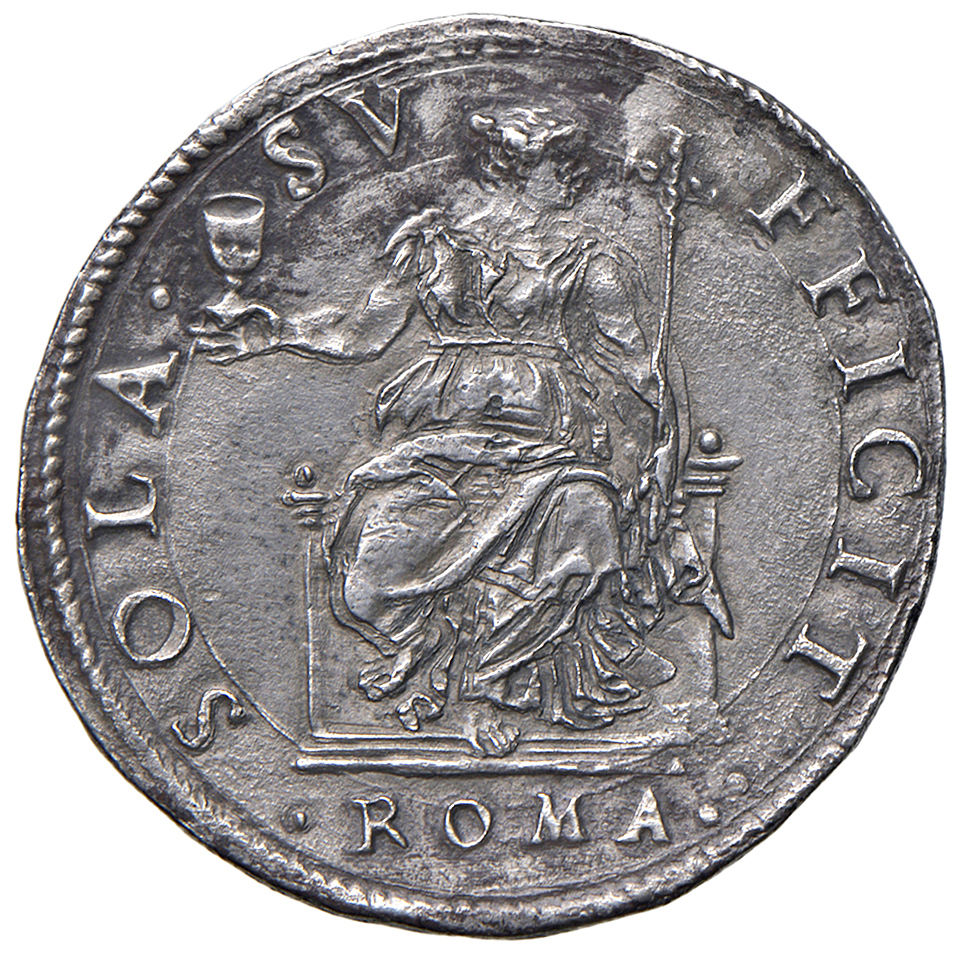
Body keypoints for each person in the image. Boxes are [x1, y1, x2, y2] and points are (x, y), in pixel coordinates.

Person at [194, 106, 732, 756]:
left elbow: (635, 363)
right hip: (437, 437)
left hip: (550, 444)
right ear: (515, 169)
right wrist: (276, 331)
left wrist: (663, 428)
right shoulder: (434, 246)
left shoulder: (591, 261)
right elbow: (361, 331)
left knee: (581, 518)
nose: (571, 178)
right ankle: (432, 653)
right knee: (372, 568)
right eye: (558, 165)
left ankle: (492, 681)